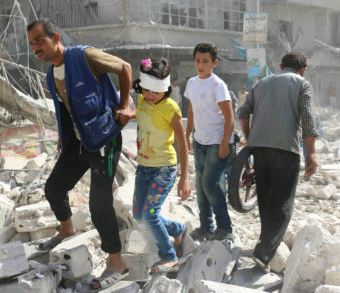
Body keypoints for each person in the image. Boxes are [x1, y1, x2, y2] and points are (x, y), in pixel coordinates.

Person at [27, 19, 132, 290]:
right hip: (78, 143)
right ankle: (67, 230)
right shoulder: (51, 74)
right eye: (32, 44)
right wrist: (64, 141)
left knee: (98, 204)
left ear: (56, 37)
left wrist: (124, 107)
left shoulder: (84, 56)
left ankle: (116, 262)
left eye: (39, 40)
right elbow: (65, 111)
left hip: (104, 139)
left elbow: (125, 68)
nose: (35, 48)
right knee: (53, 188)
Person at [238, 51, 318, 273]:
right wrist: (311, 153)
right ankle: (263, 253)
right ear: (303, 70)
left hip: (260, 149)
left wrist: (249, 138)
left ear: (281, 65)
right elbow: (309, 119)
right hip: (285, 149)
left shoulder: (262, 82)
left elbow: (243, 111)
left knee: (266, 199)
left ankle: (265, 246)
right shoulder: (302, 84)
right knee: (283, 205)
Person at [130, 58, 191, 274]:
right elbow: (137, 115)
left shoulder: (170, 107)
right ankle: (178, 229)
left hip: (164, 169)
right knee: (138, 215)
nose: (150, 95)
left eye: (156, 91)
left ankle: (169, 256)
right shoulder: (141, 100)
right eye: (147, 89)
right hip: (144, 168)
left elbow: (183, 144)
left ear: (164, 89)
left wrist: (184, 179)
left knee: (150, 214)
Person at [185, 42, 235, 242]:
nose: (200, 64)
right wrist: (188, 134)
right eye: (198, 60)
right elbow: (190, 111)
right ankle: (206, 227)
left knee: (210, 183)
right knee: (200, 184)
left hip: (218, 141)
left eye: (205, 61)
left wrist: (225, 143)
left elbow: (229, 117)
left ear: (214, 63)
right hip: (200, 141)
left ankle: (225, 226)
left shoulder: (218, 85)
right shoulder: (191, 83)